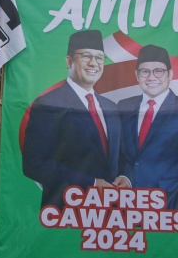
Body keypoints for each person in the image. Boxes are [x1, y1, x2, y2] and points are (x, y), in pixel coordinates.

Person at [21, 30, 127, 209]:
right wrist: (91, 183)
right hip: (67, 209)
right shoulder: (49, 103)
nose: (94, 63)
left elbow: (120, 154)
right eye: (86, 56)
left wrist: (125, 177)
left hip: (111, 211)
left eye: (100, 58)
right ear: (69, 61)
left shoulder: (110, 106)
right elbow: (34, 164)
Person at [118, 44, 178, 214]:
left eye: (159, 71)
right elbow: (118, 153)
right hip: (125, 203)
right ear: (137, 76)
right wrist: (123, 177)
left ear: (170, 74)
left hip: (168, 201)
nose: (152, 77)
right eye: (145, 71)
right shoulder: (123, 106)